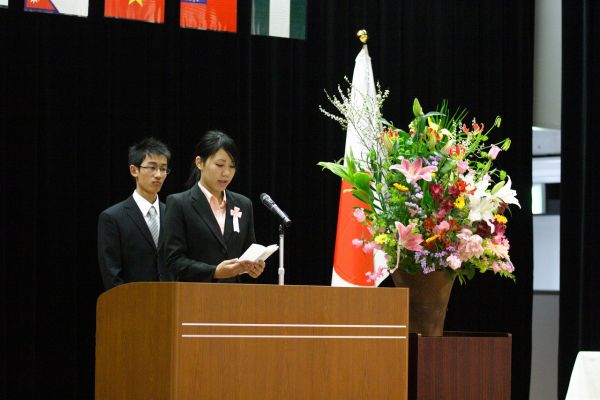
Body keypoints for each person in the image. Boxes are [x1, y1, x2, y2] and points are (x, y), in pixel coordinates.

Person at [164, 130, 265, 282]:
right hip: (194, 293)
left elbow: (248, 251)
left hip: (234, 294)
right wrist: (214, 272)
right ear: (199, 163)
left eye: (232, 166)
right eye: (220, 165)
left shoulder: (243, 204)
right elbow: (173, 261)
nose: (226, 173)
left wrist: (254, 266)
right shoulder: (179, 203)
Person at [97, 137, 172, 290]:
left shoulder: (172, 213)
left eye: (163, 168)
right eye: (152, 167)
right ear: (134, 170)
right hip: (132, 300)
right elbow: (111, 273)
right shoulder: (113, 217)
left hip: (171, 299)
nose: (158, 175)